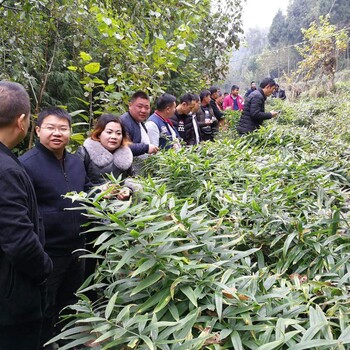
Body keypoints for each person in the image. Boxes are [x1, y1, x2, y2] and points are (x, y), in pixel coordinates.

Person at [19, 107, 91, 349]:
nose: (57, 133)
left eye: (63, 128)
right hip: (48, 252)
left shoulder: (76, 162)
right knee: (45, 308)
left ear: (70, 132)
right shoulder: (26, 165)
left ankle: (70, 342)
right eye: (50, 127)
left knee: (70, 303)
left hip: (76, 248)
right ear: (37, 130)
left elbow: (86, 191)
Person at [0, 81, 52, 350]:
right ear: (22, 121)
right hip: (11, 304)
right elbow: (18, 241)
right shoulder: (6, 170)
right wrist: (45, 268)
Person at [76, 114, 134, 301]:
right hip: (89, 214)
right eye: (109, 132)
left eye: (118, 133)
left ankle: (108, 291)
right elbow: (77, 184)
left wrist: (127, 189)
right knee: (89, 257)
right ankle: (86, 294)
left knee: (108, 254)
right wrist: (100, 192)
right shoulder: (85, 152)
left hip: (115, 214)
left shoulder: (125, 155)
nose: (114, 137)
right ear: (98, 134)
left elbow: (131, 178)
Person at [119, 91, 158, 174]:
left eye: (147, 108)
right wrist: (146, 148)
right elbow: (124, 146)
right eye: (140, 106)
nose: (143, 110)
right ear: (130, 105)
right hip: (128, 176)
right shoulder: (123, 122)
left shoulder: (140, 122)